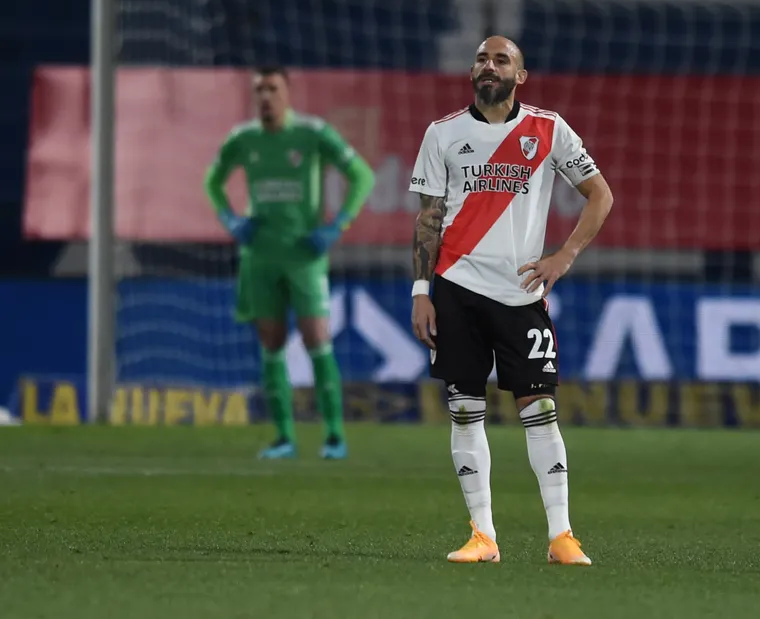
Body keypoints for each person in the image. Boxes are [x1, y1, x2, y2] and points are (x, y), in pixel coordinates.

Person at [409, 36, 614, 565]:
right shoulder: (442, 133)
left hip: (521, 295)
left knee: (540, 409)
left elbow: (601, 195)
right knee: (464, 409)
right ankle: (483, 536)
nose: (489, 66)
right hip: (456, 289)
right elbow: (429, 219)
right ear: (471, 71)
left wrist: (564, 256)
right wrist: (421, 292)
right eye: (482, 58)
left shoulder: (548, 129)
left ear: (520, 76)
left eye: (501, 60)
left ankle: (561, 536)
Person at [204, 66, 375, 460]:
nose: (266, 97)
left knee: (317, 337)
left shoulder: (313, 134)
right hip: (260, 256)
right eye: (259, 90)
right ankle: (284, 437)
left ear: (287, 93)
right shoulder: (243, 139)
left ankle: (334, 436)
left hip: (304, 257)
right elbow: (212, 181)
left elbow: (362, 175)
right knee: (271, 342)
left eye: (273, 89)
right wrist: (230, 219)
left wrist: (337, 226)